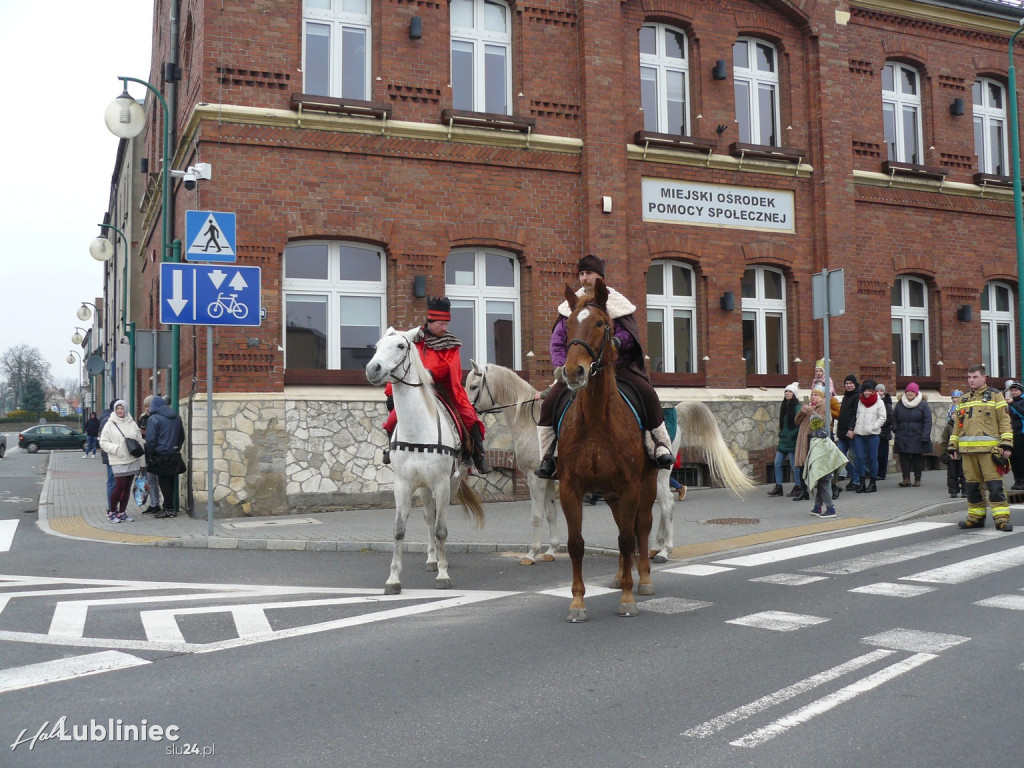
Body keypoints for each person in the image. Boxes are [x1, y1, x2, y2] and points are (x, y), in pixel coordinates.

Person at [535, 254, 675, 479]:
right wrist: (562, 366)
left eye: (588, 273)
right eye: (581, 274)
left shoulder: (617, 304)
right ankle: (549, 456)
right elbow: (558, 341)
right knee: (550, 403)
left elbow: (630, 335)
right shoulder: (570, 307)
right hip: (580, 370)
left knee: (648, 393)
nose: (584, 278)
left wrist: (616, 343)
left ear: (600, 276)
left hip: (618, 367)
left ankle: (659, 445)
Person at [382, 297, 491, 474]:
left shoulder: (451, 344)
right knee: (392, 419)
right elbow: (398, 365)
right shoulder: (412, 341)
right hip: (413, 390)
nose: (444, 328)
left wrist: (430, 374)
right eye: (441, 323)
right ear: (430, 321)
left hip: (443, 390)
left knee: (469, 417)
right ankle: (391, 449)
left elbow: (451, 369)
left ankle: (478, 456)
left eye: (446, 324)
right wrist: (390, 393)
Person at [949, 364, 1014, 531]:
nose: (971, 380)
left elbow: (1005, 421)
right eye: (969, 378)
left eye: (975, 377)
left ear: (984, 378)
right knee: (972, 487)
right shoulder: (963, 399)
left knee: (995, 487)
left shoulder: (995, 396)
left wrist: (1007, 443)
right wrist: (952, 446)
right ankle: (975, 518)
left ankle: (1001, 519)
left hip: (989, 452)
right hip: (968, 452)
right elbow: (957, 426)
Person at [98, 400, 142, 524]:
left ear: (126, 409)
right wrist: (116, 449)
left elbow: (140, 442)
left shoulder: (132, 423)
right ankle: (112, 512)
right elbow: (103, 442)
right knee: (119, 486)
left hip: (133, 459)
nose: (120, 411)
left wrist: (142, 463)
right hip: (118, 460)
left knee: (127, 487)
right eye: (118, 409)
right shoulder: (110, 424)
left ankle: (122, 512)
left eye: (122, 409)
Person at [145, 395, 186, 518]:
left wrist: (150, 454)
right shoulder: (176, 417)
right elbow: (181, 436)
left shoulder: (154, 419)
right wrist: (176, 447)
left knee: (164, 482)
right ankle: (170, 507)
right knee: (171, 481)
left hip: (160, 455)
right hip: (174, 454)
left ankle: (168, 508)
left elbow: (150, 440)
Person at [804, 415, 847, 519]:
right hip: (828, 467)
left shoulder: (815, 439)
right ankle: (817, 507)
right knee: (821, 487)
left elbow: (814, 455)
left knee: (825, 488)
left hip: (822, 470)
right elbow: (834, 451)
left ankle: (830, 508)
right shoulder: (826, 438)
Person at [793, 385, 831, 501]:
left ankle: (821, 492)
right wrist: (801, 412)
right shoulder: (809, 406)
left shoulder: (824, 406)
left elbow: (822, 422)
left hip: (814, 440)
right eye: (812, 395)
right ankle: (804, 491)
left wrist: (811, 411)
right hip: (803, 439)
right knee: (802, 466)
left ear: (820, 397)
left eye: (815, 395)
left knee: (813, 466)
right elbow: (796, 421)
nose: (812, 397)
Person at [892, 382, 932, 488]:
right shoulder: (900, 404)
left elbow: (928, 421)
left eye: (912, 391)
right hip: (902, 435)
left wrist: (925, 435)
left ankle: (917, 478)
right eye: (908, 391)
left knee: (917, 458)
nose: (910, 393)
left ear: (916, 393)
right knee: (903, 458)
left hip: (917, 436)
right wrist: (895, 427)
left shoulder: (923, 404)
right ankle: (906, 479)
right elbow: (894, 417)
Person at [852, 378, 886, 493]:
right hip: (859, 434)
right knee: (859, 458)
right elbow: (855, 415)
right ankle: (861, 482)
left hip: (872, 434)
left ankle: (872, 483)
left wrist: (874, 427)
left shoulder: (879, 401)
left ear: (872, 391)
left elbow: (882, 417)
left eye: (869, 391)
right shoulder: (859, 401)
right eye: (864, 391)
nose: (866, 393)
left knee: (872, 458)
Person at [767, 383, 801, 497]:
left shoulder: (797, 408)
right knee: (777, 463)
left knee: (794, 465)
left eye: (790, 392)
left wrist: (792, 434)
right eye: (786, 391)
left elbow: (800, 425)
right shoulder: (784, 406)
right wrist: (782, 433)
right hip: (783, 439)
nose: (787, 393)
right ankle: (778, 486)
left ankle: (798, 486)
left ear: (794, 394)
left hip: (792, 440)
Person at [836, 374, 861, 489]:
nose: (848, 385)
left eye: (850, 383)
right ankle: (853, 476)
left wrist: (851, 429)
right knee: (840, 456)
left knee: (855, 457)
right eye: (846, 383)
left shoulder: (857, 396)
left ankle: (856, 481)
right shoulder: (846, 396)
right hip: (842, 433)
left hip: (851, 432)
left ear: (855, 384)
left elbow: (855, 414)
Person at [138, 395, 161, 513]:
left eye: (149, 406)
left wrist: (146, 433)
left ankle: (156, 504)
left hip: (154, 454)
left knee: (154, 481)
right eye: (145, 406)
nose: (147, 408)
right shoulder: (142, 418)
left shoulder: (157, 418)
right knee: (149, 481)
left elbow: (156, 435)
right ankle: (153, 504)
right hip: (144, 454)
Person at [941, 389, 966, 498]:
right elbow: (944, 440)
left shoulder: (964, 425)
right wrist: (943, 453)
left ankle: (965, 490)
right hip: (952, 453)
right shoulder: (949, 426)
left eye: (956, 397)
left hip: (962, 453)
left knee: (963, 473)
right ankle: (953, 490)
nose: (955, 399)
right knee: (952, 474)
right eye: (953, 398)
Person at [1004, 380, 1024, 491]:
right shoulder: (1010, 403)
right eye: (1012, 390)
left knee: (1021, 458)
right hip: (1012, 434)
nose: (1013, 392)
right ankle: (1017, 479)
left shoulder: (1020, 402)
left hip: (1021, 433)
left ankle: (1022, 479)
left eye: (1016, 390)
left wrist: (1012, 404)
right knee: (1013, 458)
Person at [97, 399, 117, 513]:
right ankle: (111, 508)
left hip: (116, 456)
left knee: (116, 483)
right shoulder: (107, 420)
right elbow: (105, 441)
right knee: (112, 482)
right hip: (111, 456)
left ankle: (114, 507)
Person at [875, 383, 894, 481]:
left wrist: (879, 424)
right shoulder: (874, 402)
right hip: (875, 432)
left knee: (883, 454)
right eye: (877, 390)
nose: (879, 392)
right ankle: (875, 472)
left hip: (883, 433)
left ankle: (881, 473)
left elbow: (890, 418)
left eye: (881, 391)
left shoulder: (887, 403)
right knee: (875, 454)